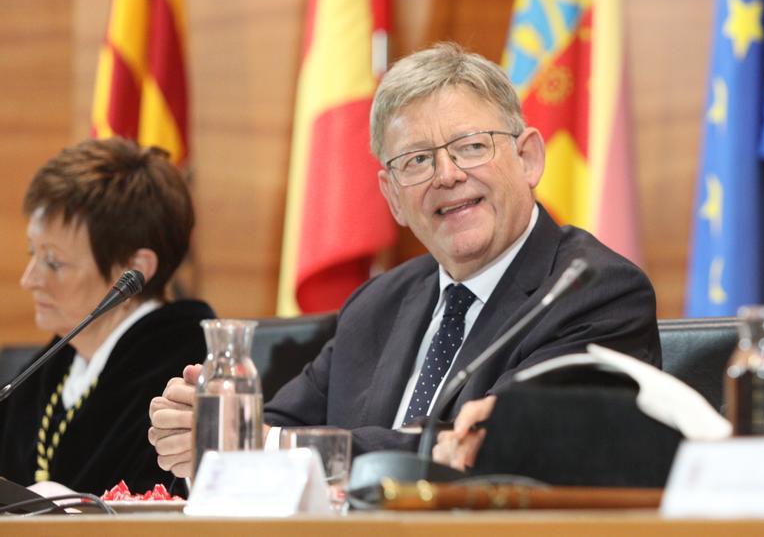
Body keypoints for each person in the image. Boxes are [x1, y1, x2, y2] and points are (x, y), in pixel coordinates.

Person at [148, 43, 660, 477]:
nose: (446, 175)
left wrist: (262, 444)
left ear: (527, 158)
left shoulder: (594, 290)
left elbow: (492, 450)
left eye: (470, 146)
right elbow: (274, 425)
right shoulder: (379, 303)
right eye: (416, 160)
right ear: (392, 195)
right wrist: (207, 428)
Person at [0, 138, 214, 495]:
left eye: (53, 262)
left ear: (134, 269)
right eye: (31, 255)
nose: (29, 280)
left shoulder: (185, 372)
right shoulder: (50, 370)